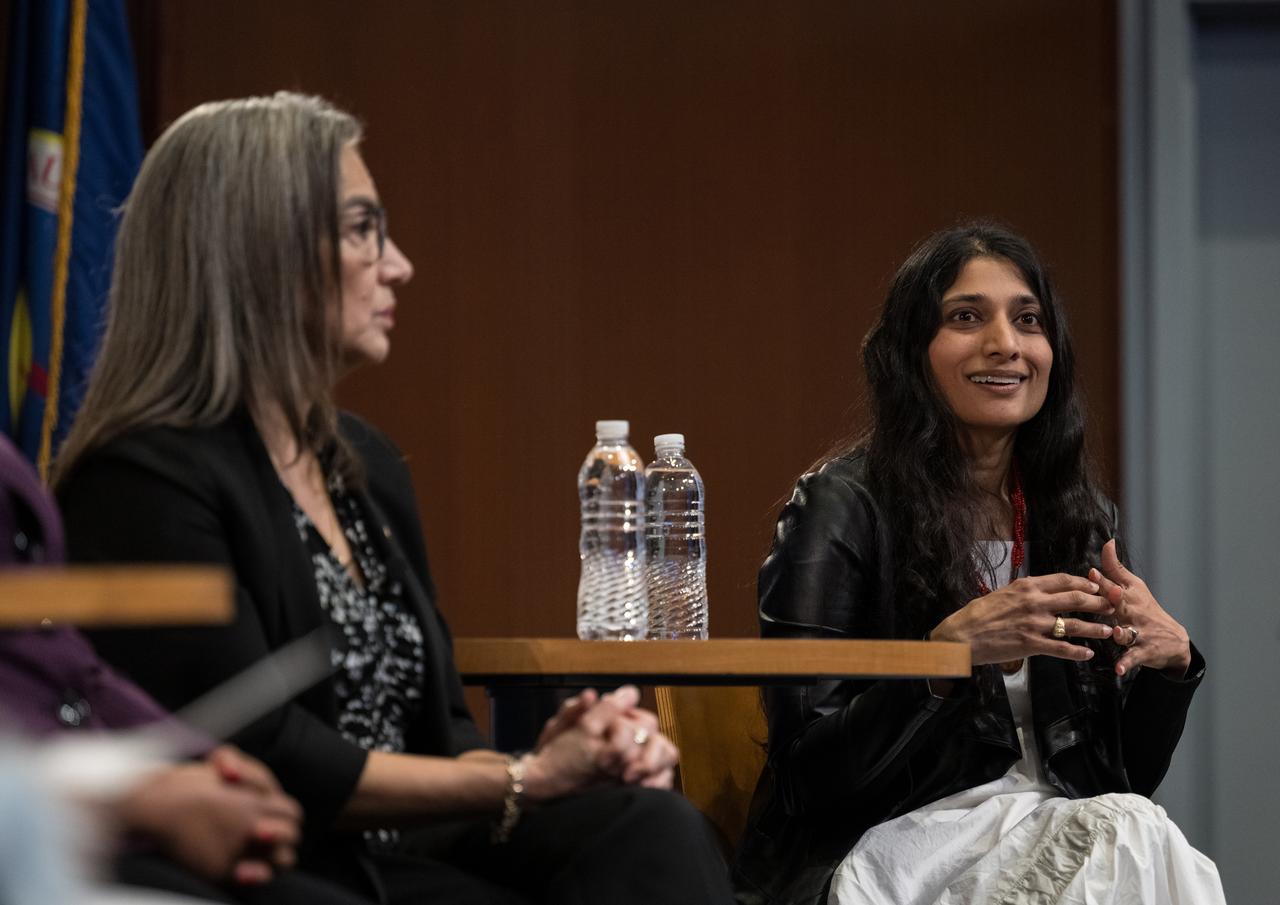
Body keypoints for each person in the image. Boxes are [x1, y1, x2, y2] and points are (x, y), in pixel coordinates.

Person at [53, 92, 732, 905]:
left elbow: (444, 741)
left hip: (402, 854)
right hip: (261, 861)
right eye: (362, 228)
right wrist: (526, 773)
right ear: (257, 249)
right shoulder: (143, 478)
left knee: (650, 825)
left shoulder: (363, 462)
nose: (398, 263)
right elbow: (254, 748)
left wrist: (562, 762)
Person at [733, 223, 1224, 905]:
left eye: (1028, 320)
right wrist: (942, 658)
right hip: (886, 849)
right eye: (967, 317)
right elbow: (809, 779)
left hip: (1055, 835)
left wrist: (1169, 668)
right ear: (913, 352)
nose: (1006, 344)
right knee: (1133, 837)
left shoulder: (1078, 520)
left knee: (1130, 833)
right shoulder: (841, 506)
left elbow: (1111, 777)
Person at [0, 430, 370, 904]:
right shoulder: (146, 471)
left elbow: (70, 664)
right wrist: (140, 800)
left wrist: (198, 765)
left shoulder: (358, 454)